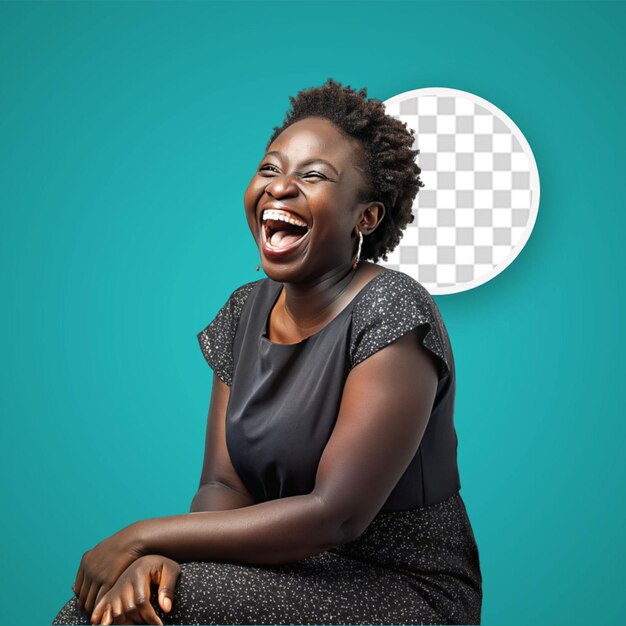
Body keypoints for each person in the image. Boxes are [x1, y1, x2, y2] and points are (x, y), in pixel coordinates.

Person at [52, 78, 482, 625]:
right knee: (120, 603)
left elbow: (337, 516)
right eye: (270, 168)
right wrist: (167, 558)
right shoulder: (243, 310)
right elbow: (223, 485)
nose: (281, 187)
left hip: (401, 587)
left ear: (366, 218)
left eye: (314, 176)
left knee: (160, 606)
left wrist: (140, 538)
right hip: (284, 571)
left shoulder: (392, 309)